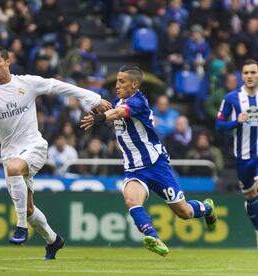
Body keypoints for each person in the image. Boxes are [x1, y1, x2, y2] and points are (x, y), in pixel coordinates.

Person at [0, 46, 111, 260]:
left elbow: (58, 86)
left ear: (7, 61)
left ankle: (20, 227)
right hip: (10, 154)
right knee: (29, 209)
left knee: (16, 172)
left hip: (34, 147)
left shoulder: (26, 83)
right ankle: (53, 240)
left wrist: (93, 98)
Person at [80, 65, 217, 257]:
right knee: (131, 200)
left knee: (184, 212)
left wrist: (99, 117)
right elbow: (116, 111)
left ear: (134, 84)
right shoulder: (119, 101)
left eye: (122, 81)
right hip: (134, 169)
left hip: (155, 165)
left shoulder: (138, 102)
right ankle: (154, 237)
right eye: (117, 81)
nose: (117, 85)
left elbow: (118, 113)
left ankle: (207, 208)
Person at [216, 59, 258, 247]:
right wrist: (236, 121)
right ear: (242, 76)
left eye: (253, 72)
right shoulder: (232, 98)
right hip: (243, 157)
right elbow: (219, 125)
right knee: (250, 197)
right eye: (246, 73)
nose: (250, 76)